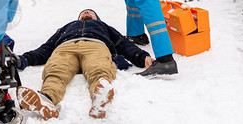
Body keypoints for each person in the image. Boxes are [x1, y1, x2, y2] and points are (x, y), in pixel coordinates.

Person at [15, 9, 154, 120]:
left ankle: (100, 97)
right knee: (56, 71)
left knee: (98, 68)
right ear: (78, 18)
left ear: (96, 18)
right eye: (83, 12)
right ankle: (46, 99)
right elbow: (47, 47)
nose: (86, 13)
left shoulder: (103, 26)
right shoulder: (68, 27)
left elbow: (123, 44)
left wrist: (142, 57)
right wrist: (25, 59)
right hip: (65, 47)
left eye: (90, 12)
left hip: (95, 45)